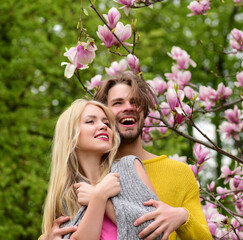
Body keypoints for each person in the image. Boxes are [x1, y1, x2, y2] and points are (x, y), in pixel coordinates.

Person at [42, 73, 212, 240]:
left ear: (144, 112)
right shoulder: (77, 180)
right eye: (117, 103)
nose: (128, 107)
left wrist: (183, 217)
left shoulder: (177, 172)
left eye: (135, 102)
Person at [40, 99, 162, 240]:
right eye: (90, 121)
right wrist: (99, 198)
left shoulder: (129, 167)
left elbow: (156, 231)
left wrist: (96, 197)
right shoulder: (66, 197)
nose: (103, 126)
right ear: (70, 136)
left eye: (106, 123)